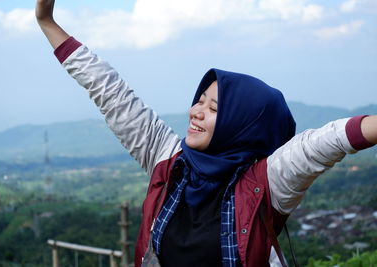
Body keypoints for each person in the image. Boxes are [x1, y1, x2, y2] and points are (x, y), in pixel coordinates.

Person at [35, 1, 377, 266]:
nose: (194, 113)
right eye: (199, 101)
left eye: (213, 109)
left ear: (242, 125)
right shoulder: (169, 161)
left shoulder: (267, 183)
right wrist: (47, 22)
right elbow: (110, 93)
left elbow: (327, 141)